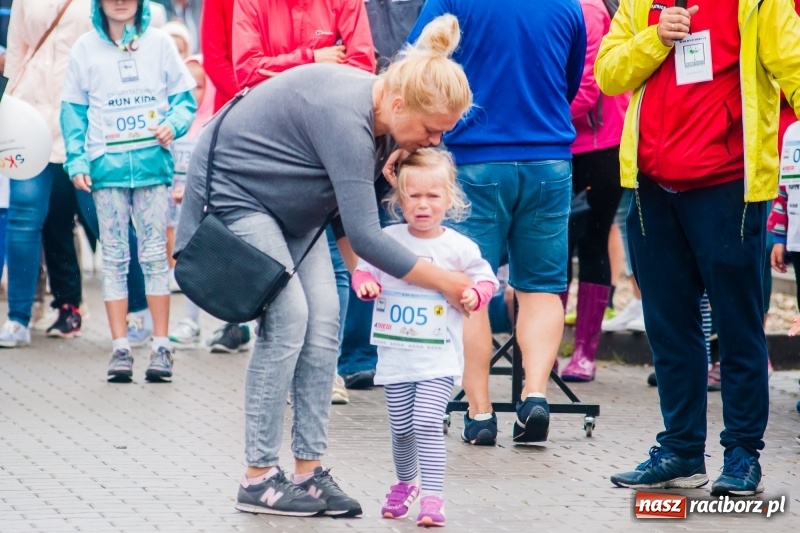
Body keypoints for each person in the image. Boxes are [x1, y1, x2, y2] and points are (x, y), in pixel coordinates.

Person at [175, 14, 473, 518]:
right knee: (289, 317)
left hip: (293, 207)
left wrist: (361, 266)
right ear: (399, 105)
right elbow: (365, 234)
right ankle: (258, 477)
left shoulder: (386, 124)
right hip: (238, 195)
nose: (434, 143)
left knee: (326, 319)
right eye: (429, 129)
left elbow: (346, 212)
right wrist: (444, 279)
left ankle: (308, 474)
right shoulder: (346, 116)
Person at [596, 0, 800, 496]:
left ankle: (742, 455)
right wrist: (654, 38)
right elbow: (608, 73)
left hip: (729, 187)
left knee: (738, 327)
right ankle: (681, 450)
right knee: (668, 328)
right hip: (651, 190)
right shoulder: (644, 4)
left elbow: (795, 65)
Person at [406, 0, 586, 446]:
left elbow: (418, 65)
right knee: (542, 287)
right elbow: (571, 79)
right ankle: (535, 394)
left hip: (476, 159)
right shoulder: (568, 4)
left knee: (472, 290)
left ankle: (480, 411)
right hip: (549, 158)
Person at [353, 149, 498, 526]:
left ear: (449, 199)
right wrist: (366, 283)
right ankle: (406, 483)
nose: (422, 205)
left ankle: (433, 497)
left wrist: (474, 294)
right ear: (399, 200)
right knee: (401, 429)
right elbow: (362, 269)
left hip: (440, 359)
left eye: (432, 196)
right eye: (413, 196)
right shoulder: (387, 239)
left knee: (427, 422)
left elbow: (486, 278)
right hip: (396, 358)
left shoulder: (458, 247)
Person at [60, 0, 196, 382]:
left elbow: (184, 101)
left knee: (155, 255)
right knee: (116, 257)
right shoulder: (85, 48)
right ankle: (120, 349)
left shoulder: (160, 43)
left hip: (152, 169)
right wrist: (77, 161)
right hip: (106, 172)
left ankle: (161, 346)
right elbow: (72, 110)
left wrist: (173, 124)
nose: (120, 2)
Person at [1, 0, 99, 347]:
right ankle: (18, 318)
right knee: (26, 216)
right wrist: (7, 107)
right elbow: (16, 52)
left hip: (84, 116)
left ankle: (138, 312)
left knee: (97, 216)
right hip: (32, 114)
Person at [560, 0, 628, 382]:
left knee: (592, 241)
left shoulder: (587, 9)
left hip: (600, 145)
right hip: (562, 141)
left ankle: (584, 351)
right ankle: (547, 346)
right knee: (555, 246)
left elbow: (587, 88)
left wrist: (533, 115)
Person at [168, 53, 215, 347]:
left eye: (199, 86)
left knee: (213, 264)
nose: (193, 93)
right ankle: (189, 321)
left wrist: (193, 190)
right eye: (187, 86)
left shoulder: (214, 124)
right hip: (174, 207)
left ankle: (232, 325)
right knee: (184, 260)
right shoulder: (173, 123)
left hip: (207, 208)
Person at [232, 0, 375, 90]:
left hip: (328, 114)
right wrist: (311, 59)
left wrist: (282, 75)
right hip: (273, 118)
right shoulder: (250, 2)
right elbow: (248, 72)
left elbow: (362, 65)